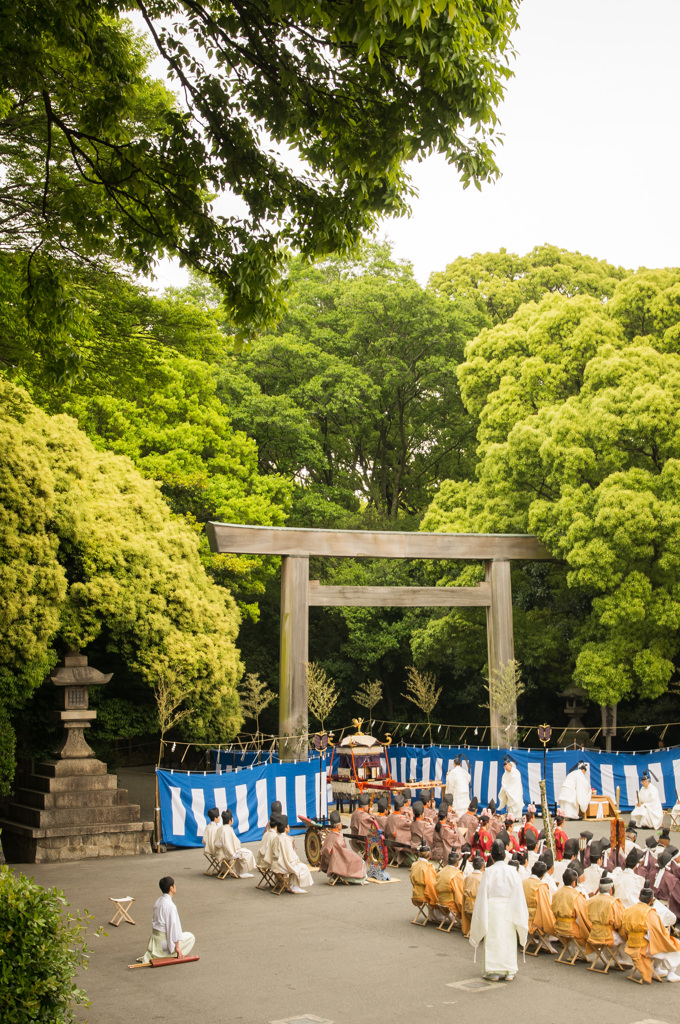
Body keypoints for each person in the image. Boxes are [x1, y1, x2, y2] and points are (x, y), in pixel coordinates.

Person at [469, 838, 528, 982]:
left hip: (493, 908)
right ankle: (509, 970)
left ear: (492, 856)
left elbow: (482, 894)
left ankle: (493, 971)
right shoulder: (513, 871)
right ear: (505, 855)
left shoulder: (489, 872)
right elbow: (519, 893)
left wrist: (481, 912)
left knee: (494, 938)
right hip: (510, 906)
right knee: (508, 938)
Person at [621, 886, 680, 982]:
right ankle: (671, 973)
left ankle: (657, 968)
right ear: (652, 900)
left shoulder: (628, 909)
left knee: (663, 943)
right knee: (672, 945)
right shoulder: (650, 913)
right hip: (643, 947)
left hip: (631, 943)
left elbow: (624, 929)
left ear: (639, 897)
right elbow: (658, 933)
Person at [139, 876, 195, 963]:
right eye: (174, 885)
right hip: (163, 942)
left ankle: (161, 953)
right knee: (190, 937)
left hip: (155, 940)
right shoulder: (170, 906)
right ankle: (167, 954)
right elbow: (174, 927)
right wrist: (177, 948)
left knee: (184, 935)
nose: (175, 887)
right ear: (171, 888)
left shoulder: (158, 901)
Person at [585, 874, 630, 964]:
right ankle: (618, 958)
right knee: (626, 937)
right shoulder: (613, 902)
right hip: (607, 936)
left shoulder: (590, 900)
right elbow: (619, 922)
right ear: (611, 890)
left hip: (593, 934)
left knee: (615, 934)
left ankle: (615, 957)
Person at [550, 867, 591, 958]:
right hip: (570, 928)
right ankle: (579, 954)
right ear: (573, 883)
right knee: (585, 930)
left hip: (557, 926)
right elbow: (583, 914)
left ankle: (576, 953)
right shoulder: (576, 895)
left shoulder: (556, 893)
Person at [319, 809, 367, 884]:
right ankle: (359, 879)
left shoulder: (329, 835)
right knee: (359, 860)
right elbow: (343, 852)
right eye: (340, 823)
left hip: (330, 861)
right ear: (338, 825)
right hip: (338, 861)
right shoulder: (338, 838)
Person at [269, 815, 314, 893]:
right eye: (288, 826)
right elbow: (290, 857)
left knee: (297, 865)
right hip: (283, 865)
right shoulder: (286, 839)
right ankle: (294, 885)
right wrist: (296, 861)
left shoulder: (275, 838)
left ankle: (291, 884)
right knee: (302, 867)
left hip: (276, 864)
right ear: (286, 829)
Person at [523, 861, 557, 951]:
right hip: (535, 920)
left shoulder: (523, 882)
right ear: (542, 875)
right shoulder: (540, 886)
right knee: (550, 918)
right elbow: (545, 906)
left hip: (523, 916)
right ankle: (545, 943)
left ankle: (528, 939)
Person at [215, 809, 255, 877]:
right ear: (230, 820)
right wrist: (235, 851)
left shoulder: (220, 828)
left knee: (242, 852)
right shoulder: (227, 830)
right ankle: (242, 872)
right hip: (228, 853)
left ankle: (226, 868)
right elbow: (228, 845)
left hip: (221, 852)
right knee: (248, 853)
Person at [435, 850, 465, 923]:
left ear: (447, 860)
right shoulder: (457, 874)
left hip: (440, 901)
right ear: (458, 862)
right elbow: (459, 895)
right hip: (450, 904)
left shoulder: (440, 872)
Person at [384, 793, 413, 866]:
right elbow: (412, 825)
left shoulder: (390, 816)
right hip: (398, 843)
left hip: (390, 841)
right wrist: (411, 816)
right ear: (401, 809)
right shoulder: (402, 819)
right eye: (403, 807)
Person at [461, 856, 485, 937]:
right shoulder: (483, 878)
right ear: (483, 866)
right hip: (478, 907)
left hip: (467, 906)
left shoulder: (468, 877)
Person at [410, 842, 438, 908]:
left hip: (415, 893)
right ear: (429, 855)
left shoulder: (414, 864)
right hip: (424, 894)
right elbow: (430, 884)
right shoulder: (428, 867)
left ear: (419, 855)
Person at [497, 755, 524, 820]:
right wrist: (505, 788)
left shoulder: (516, 773)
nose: (506, 769)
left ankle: (517, 817)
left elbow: (515, 784)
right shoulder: (505, 774)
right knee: (510, 805)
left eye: (507, 767)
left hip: (515, 792)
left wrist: (507, 788)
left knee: (516, 802)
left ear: (510, 765)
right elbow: (504, 782)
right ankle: (511, 817)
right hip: (508, 792)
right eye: (505, 768)